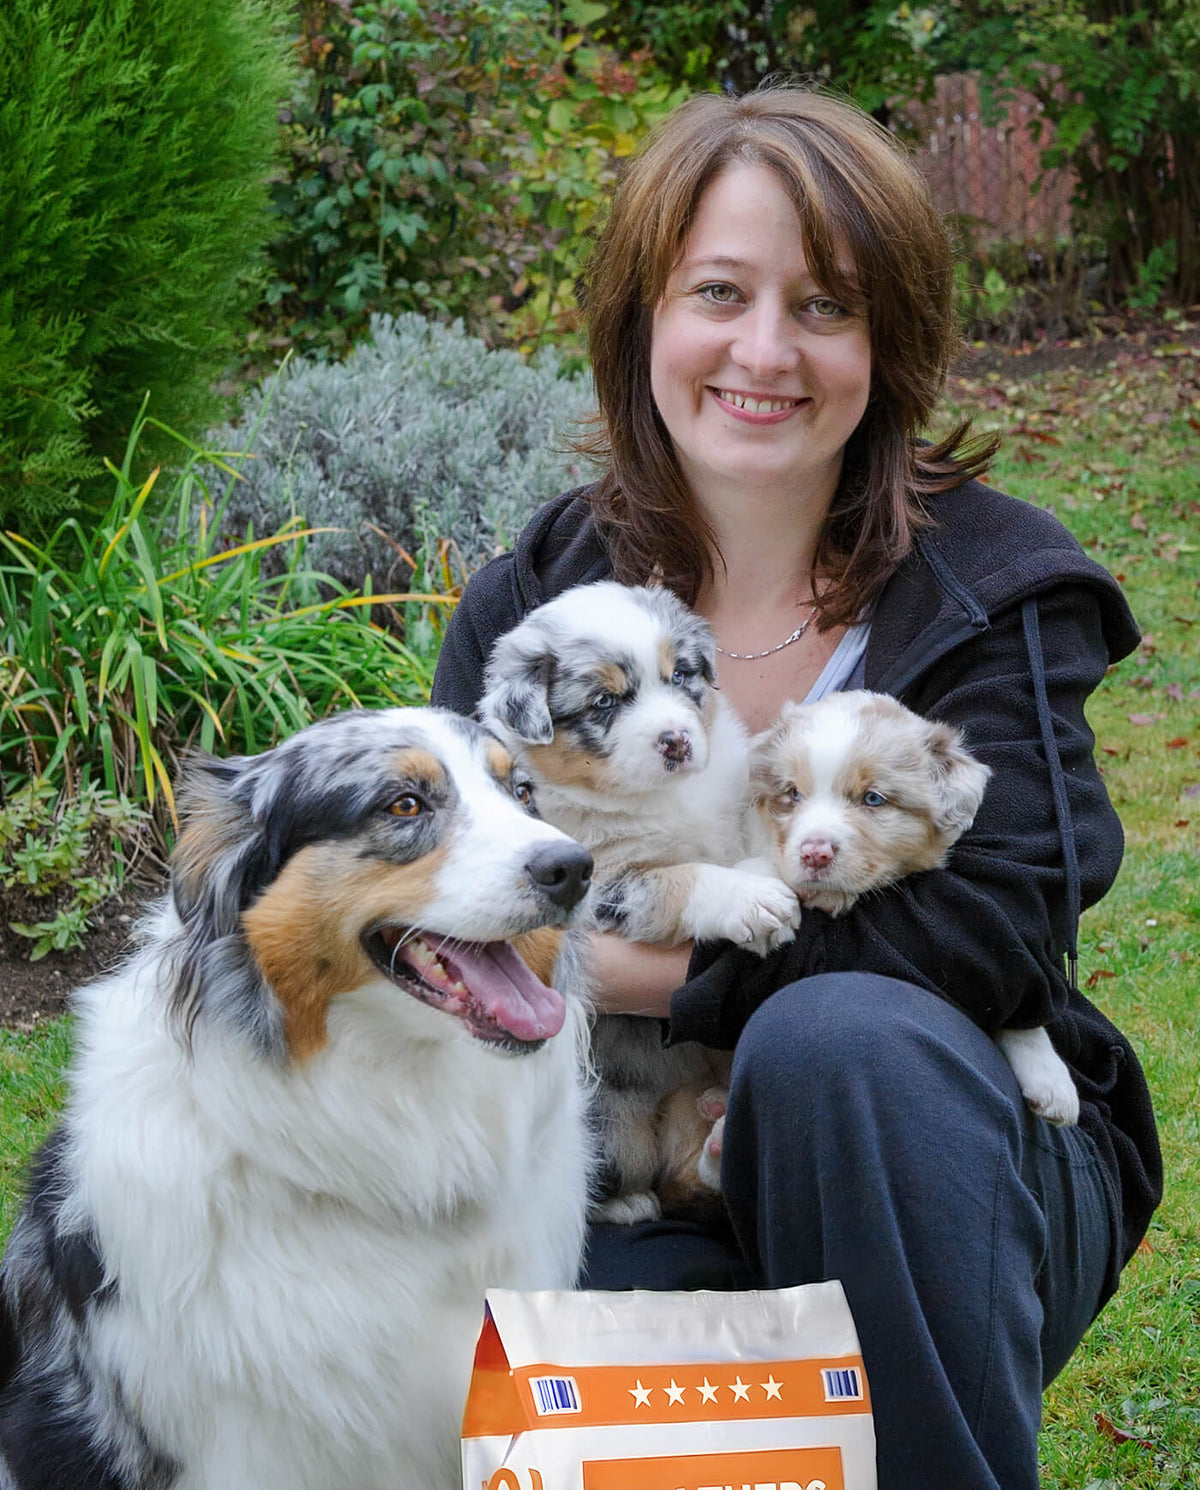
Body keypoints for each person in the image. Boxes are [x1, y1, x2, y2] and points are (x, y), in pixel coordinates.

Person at [430, 86, 1161, 1489]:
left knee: (841, 1036)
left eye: (824, 305)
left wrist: (643, 968)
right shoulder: (540, 601)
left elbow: (992, 935)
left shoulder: (994, 588)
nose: (765, 351)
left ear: (889, 340)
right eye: (719, 292)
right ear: (643, 319)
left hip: (939, 1157)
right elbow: (461, 908)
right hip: (619, 1154)